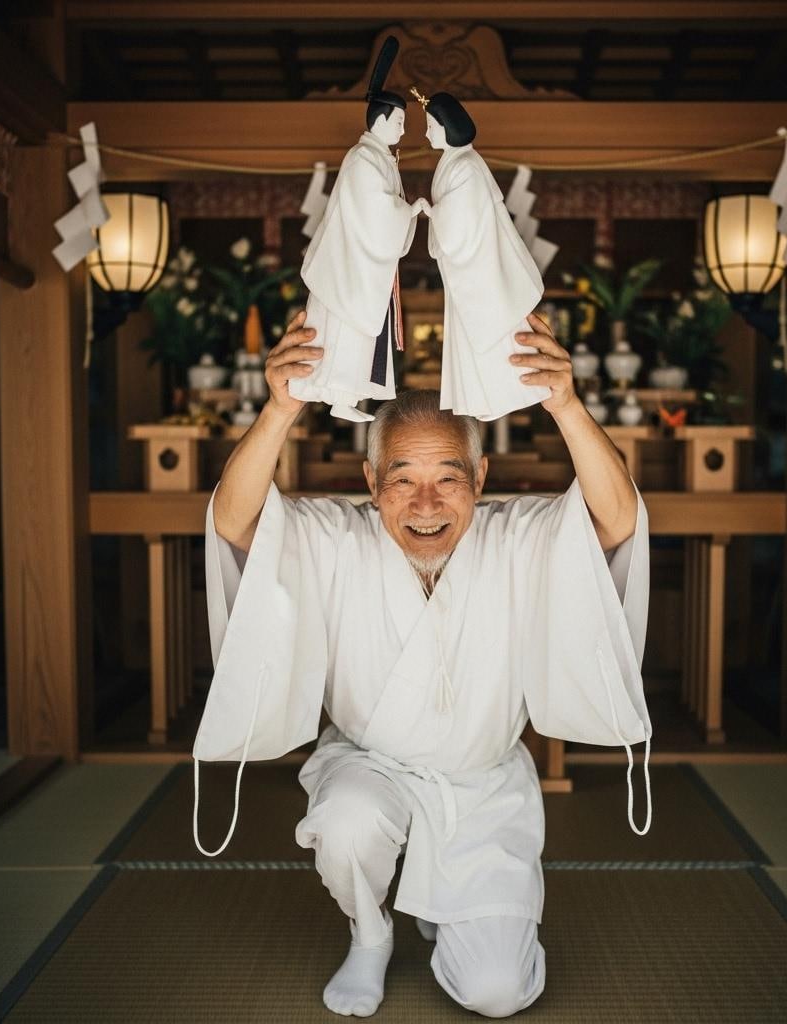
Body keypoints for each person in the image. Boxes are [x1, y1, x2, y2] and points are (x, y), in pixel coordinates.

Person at [197, 310, 653, 1017]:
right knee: (347, 822)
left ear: (482, 473)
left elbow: (618, 520)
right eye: (402, 478)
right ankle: (370, 930)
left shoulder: (518, 536)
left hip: (481, 786)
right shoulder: (336, 538)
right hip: (369, 766)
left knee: (498, 992)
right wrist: (280, 407)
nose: (427, 503)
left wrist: (566, 403)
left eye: (449, 476)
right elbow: (233, 522)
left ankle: (454, 904)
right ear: (370, 477)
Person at [288, 36, 424, 422]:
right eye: (398, 122)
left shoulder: (379, 158)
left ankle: (346, 395)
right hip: (352, 270)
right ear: (380, 120)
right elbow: (375, 209)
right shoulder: (364, 158)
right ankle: (339, 395)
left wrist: (404, 210)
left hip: (365, 268)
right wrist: (407, 209)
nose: (402, 130)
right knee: (345, 334)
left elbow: (382, 208)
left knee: (358, 336)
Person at [420, 89, 552, 421]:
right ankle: (484, 398)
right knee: (476, 338)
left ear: (446, 126)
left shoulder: (465, 166)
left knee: (489, 337)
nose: (426, 133)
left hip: (481, 272)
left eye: (431, 126)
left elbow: (460, 221)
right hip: (471, 269)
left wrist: (432, 213)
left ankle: (499, 395)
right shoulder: (459, 163)